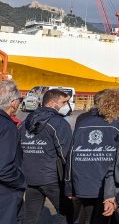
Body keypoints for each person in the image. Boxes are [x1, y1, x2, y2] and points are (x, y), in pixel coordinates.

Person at [66, 89, 119, 224]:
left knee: (88, 217)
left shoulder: (83, 123)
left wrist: (69, 186)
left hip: (84, 183)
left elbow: (71, 157)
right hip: (111, 186)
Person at [19, 88, 74, 224]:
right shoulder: (59, 123)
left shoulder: (25, 122)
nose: (66, 105)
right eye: (63, 102)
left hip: (30, 177)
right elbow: (65, 153)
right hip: (52, 177)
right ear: (52, 103)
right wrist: (70, 180)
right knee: (67, 213)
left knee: (30, 216)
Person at [0, 80, 26, 223]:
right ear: (13, 103)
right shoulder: (7, 127)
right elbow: (3, 168)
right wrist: (21, 181)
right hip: (5, 194)